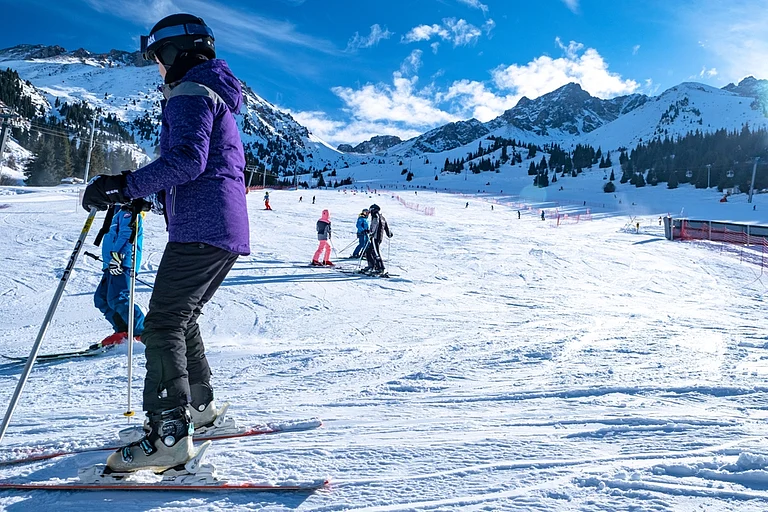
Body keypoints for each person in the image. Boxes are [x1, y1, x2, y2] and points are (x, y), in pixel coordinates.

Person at [81, 13, 249, 473]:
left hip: (201, 226)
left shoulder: (190, 92)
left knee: (161, 325)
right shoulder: (210, 89)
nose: (156, 67)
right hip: (222, 227)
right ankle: (200, 407)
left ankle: (169, 435)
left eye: (156, 57)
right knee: (182, 317)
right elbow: (200, 165)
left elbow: (187, 161)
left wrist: (123, 185)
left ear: (175, 52)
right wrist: (143, 196)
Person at [93, 203, 146, 347]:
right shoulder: (116, 211)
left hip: (123, 262)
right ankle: (123, 331)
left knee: (118, 298)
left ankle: (141, 332)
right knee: (101, 298)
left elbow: (128, 234)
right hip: (111, 263)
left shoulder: (129, 211)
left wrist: (118, 257)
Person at [363, 204, 392, 274]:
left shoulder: (375, 216)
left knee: (375, 253)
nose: (370, 212)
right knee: (370, 251)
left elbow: (374, 225)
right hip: (378, 237)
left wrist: (370, 232)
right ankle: (373, 266)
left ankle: (380, 268)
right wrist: (389, 233)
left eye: (370, 210)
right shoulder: (382, 217)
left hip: (375, 237)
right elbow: (386, 226)